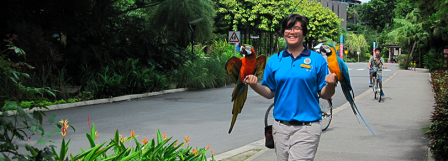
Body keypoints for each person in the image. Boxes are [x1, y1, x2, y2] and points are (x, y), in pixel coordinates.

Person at [245, 14, 338, 161]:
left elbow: (325, 94)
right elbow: (270, 92)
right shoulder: (274, 60)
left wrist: (331, 84)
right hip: (280, 127)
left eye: (297, 28)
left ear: (304, 32)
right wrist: (254, 85)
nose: (292, 32)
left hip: (307, 128)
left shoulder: (317, 60)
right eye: (288, 28)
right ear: (283, 32)